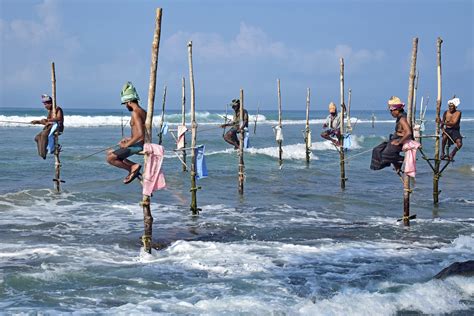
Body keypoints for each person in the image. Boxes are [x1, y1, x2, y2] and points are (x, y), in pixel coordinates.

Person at [106, 82, 146, 184]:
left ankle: (132, 167)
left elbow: (140, 134)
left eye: (125, 104)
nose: (125, 106)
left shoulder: (135, 112)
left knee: (110, 158)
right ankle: (132, 168)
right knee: (110, 152)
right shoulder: (143, 111)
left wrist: (127, 144)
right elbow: (139, 132)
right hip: (137, 143)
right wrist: (128, 139)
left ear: (129, 102)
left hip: (138, 146)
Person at [371, 96, 412, 174]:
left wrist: (399, 142)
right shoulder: (400, 117)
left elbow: (409, 133)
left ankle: (400, 160)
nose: (391, 113)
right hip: (395, 139)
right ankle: (397, 165)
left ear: (397, 110)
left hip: (401, 141)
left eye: (391, 111)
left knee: (385, 155)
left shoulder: (402, 119)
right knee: (376, 150)